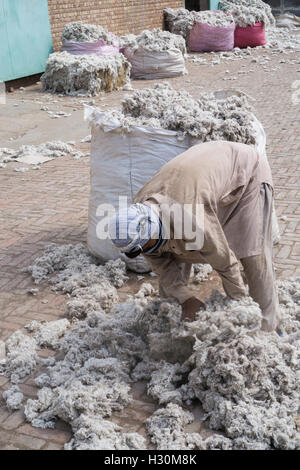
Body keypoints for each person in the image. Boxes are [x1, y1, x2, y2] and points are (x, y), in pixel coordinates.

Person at [108, 141, 281, 332]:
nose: (142, 254)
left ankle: (266, 329)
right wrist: (187, 299)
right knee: (170, 259)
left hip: (246, 174)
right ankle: (173, 324)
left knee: (253, 256)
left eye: (142, 248)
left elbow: (225, 263)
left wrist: (239, 310)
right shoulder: (139, 217)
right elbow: (164, 268)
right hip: (200, 179)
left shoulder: (190, 218)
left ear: (152, 229)